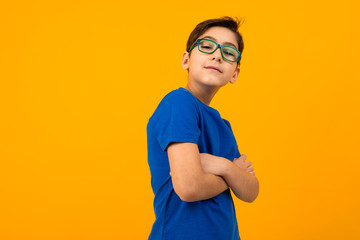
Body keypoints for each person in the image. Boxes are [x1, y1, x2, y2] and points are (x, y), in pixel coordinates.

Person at [146, 16, 259, 240]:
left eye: (228, 52)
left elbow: (251, 190)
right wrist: (233, 173)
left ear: (235, 73)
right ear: (186, 60)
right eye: (207, 46)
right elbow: (189, 187)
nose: (217, 55)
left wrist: (222, 165)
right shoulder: (178, 102)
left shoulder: (222, 125)